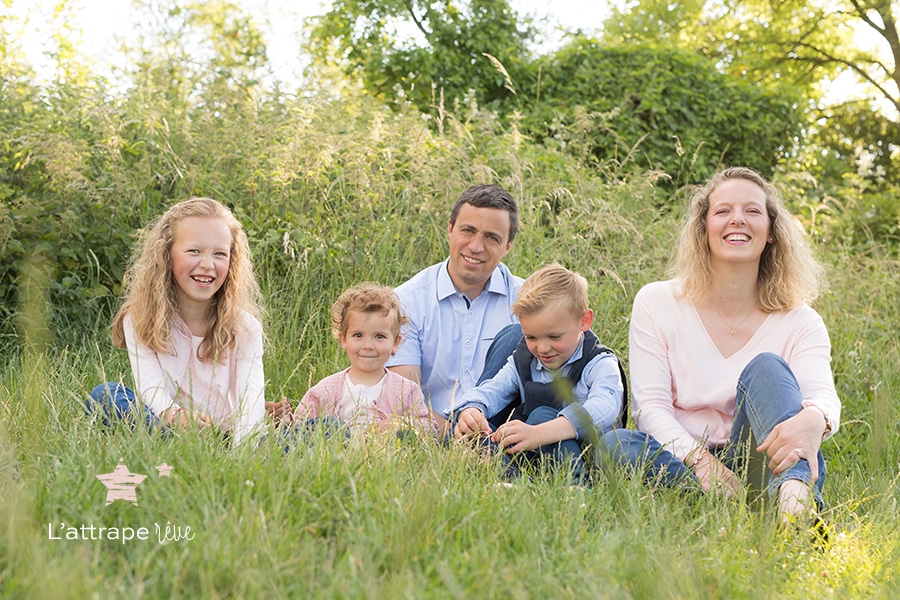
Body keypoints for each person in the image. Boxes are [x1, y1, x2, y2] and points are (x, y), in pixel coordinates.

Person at [601, 167, 840, 524]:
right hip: (684, 458)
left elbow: (823, 396)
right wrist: (702, 463)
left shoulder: (801, 320)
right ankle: (725, 501)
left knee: (768, 369)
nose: (738, 220)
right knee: (616, 445)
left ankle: (795, 507)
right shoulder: (656, 302)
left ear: (772, 232)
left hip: (761, 456)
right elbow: (650, 408)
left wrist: (814, 419)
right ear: (704, 229)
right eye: (723, 211)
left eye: (753, 211)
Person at [86, 197, 267, 445]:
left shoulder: (245, 327)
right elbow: (151, 390)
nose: (207, 265)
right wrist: (176, 416)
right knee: (105, 395)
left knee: (319, 427)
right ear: (167, 254)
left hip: (224, 435)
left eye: (219, 254)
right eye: (194, 251)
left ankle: (212, 451)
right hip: (168, 428)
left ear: (232, 261)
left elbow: (251, 404)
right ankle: (177, 447)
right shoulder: (140, 319)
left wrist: (243, 449)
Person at [451, 264, 626, 483]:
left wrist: (542, 432)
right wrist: (472, 408)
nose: (542, 348)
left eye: (554, 337)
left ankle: (576, 486)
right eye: (531, 337)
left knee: (542, 414)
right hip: (531, 451)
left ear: (584, 321)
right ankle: (514, 481)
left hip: (584, 453)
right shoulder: (524, 360)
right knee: (468, 434)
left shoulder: (600, 363)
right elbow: (495, 389)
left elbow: (605, 408)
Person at [387, 184, 524, 431]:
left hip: (506, 431)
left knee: (515, 336)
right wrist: (455, 435)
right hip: (430, 430)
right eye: (468, 231)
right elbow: (405, 402)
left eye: (492, 238)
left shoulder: (527, 301)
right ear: (450, 229)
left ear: (508, 246)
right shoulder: (406, 301)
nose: (476, 247)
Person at [280, 283, 437, 437]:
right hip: (337, 456)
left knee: (405, 436)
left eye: (379, 336)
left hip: (384, 456)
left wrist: (398, 423)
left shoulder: (405, 390)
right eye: (358, 335)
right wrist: (285, 421)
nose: (368, 346)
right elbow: (303, 427)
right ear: (343, 339)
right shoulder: (325, 390)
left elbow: (430, 428)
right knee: (329, 426)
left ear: (395, 342)